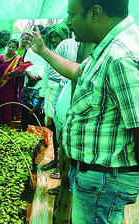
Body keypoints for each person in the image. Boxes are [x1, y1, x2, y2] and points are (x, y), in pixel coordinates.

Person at [24, 0, 139, 222]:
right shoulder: (107, 48)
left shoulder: (121, 56)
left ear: (95, 13)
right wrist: (42, 50)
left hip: (104, 181)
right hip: (97, 179)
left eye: (72, 14)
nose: (68, 21)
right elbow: (79, 71)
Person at [31, 22, 70, 177]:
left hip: (63, 94)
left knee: (63, 131)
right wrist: (41, 99)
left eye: (57, 36)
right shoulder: (50, 52)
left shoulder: (71, 51)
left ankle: (62, 168)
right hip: (50, 93)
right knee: (53, 128)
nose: (54, 39)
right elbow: (46, 77)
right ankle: (55, 159)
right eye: (52, 36)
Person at [0, 39, 25, 126]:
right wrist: (1, 78)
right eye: (9, 46)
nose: (11, 49)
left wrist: (13, 74)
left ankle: (4, 123)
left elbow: (23, 73)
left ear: (17, 48)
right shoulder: (1, 58)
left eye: (13, 47)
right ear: (7, 46)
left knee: (6, 104)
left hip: (10, 86)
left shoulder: (19, 59)